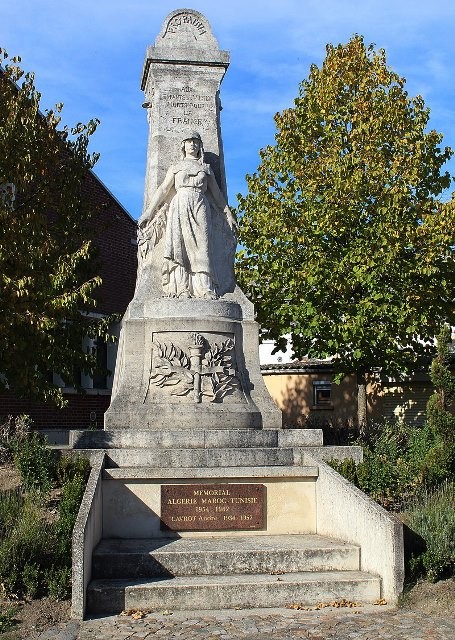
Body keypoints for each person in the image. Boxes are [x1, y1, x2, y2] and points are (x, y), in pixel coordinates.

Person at [138, 132, 237, 299]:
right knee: (179, 247)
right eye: (189, 142)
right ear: (183, 145)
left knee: (203, 247)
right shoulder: (176, 167)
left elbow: (218, 195)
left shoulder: (206, 169)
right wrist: (149, 212)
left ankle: (204, 288)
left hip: (200, 206)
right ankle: (181, 287)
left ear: (200, 146)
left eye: (196, 142)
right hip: (180, 205)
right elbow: (163, 190)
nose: (193, 145)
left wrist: (228, 213)